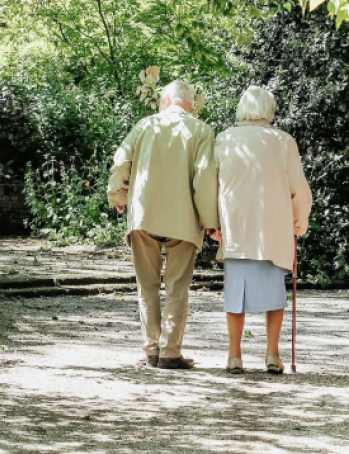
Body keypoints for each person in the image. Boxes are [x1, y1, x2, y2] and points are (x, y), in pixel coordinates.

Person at [107, 80, 219, 370]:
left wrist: (118, 195)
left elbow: (121, 164)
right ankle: (170, 352)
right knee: (177, 287)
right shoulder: (202, 131)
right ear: (190, 104)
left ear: (166, 100)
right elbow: (204, 179)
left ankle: (151, 350)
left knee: (147, 286)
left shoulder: (144, 126)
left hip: (145, 215)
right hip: (184, 219)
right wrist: (210, 222)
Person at [210, 85, 312, 374]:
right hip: (273, 229)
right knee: (274, 295)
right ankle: (272, 354)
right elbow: (300, 190)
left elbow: (211, 185)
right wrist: (298, 223)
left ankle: (234, 355)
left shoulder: (224, 139)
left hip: (237, 227)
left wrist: (212, 224)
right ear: (270, 109)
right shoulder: (283, 142)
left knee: (234, 296)